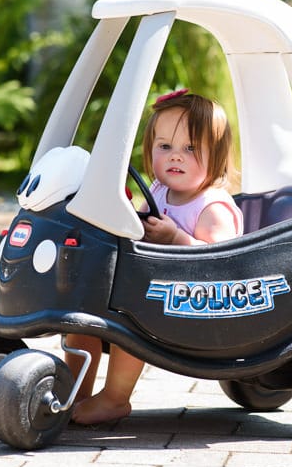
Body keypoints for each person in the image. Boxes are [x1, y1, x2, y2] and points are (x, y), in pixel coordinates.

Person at [66, 89, 243, 425]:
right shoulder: (159, 191)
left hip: (194, 305)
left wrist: (176, 237)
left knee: (132, 319)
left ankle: (115, 398)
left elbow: (221, 264)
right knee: (82, 318)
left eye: (190, 148)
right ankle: (74, 390)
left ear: (217, 155)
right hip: (155, 290)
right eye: (165, 147)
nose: (175, 157)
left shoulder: (212, 207)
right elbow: (139, 227)